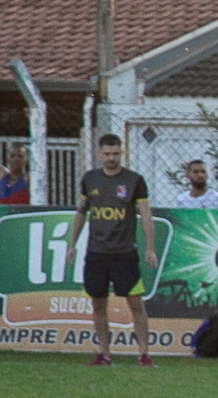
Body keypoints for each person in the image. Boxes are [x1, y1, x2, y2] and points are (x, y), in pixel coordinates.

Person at [69, 134, 158, 367]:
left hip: (124, 252)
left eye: (115, 154)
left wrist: (150, 248)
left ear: (122, 153)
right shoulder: (90, 179)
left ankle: (144, 354)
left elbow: (146, 214)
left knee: (135, 303)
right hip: (96, 252)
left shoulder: (134, 180)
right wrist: (71, 245)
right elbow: (81, 212)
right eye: (107, 154)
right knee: (98, 303)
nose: (111, 158)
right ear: (99, 154)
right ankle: (105, 354)